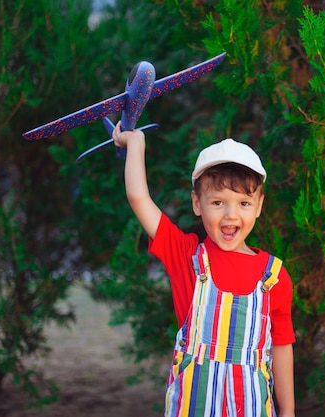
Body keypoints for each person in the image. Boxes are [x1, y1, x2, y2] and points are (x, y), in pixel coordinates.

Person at [112, 121, 295, 417]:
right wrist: (135, 142)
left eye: (244, 203)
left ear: (260, 206)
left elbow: (283, 346)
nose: (231, 214)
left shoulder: (273, 277)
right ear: (197, 203)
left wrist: (288, 412)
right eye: (218, 202)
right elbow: (138, 198)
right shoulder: (185, 256)